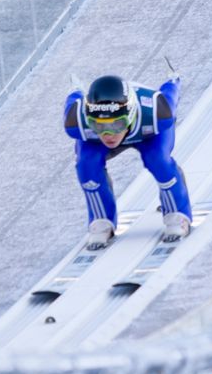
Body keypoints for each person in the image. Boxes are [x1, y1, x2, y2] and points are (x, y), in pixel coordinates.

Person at [63, 73, 192, 250]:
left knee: (158, 159)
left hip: (149, 135)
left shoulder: (157, 111)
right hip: (107, 137)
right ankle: (101, 219)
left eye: (116, 125)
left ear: (131, 114)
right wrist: (76, 89)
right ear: (89, 120)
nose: (108, 135)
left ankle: (177, 214)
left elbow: (170, 94)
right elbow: (74, 97)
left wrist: (174, 80)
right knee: (87, 163)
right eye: (99, 125)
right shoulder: (76, 120)